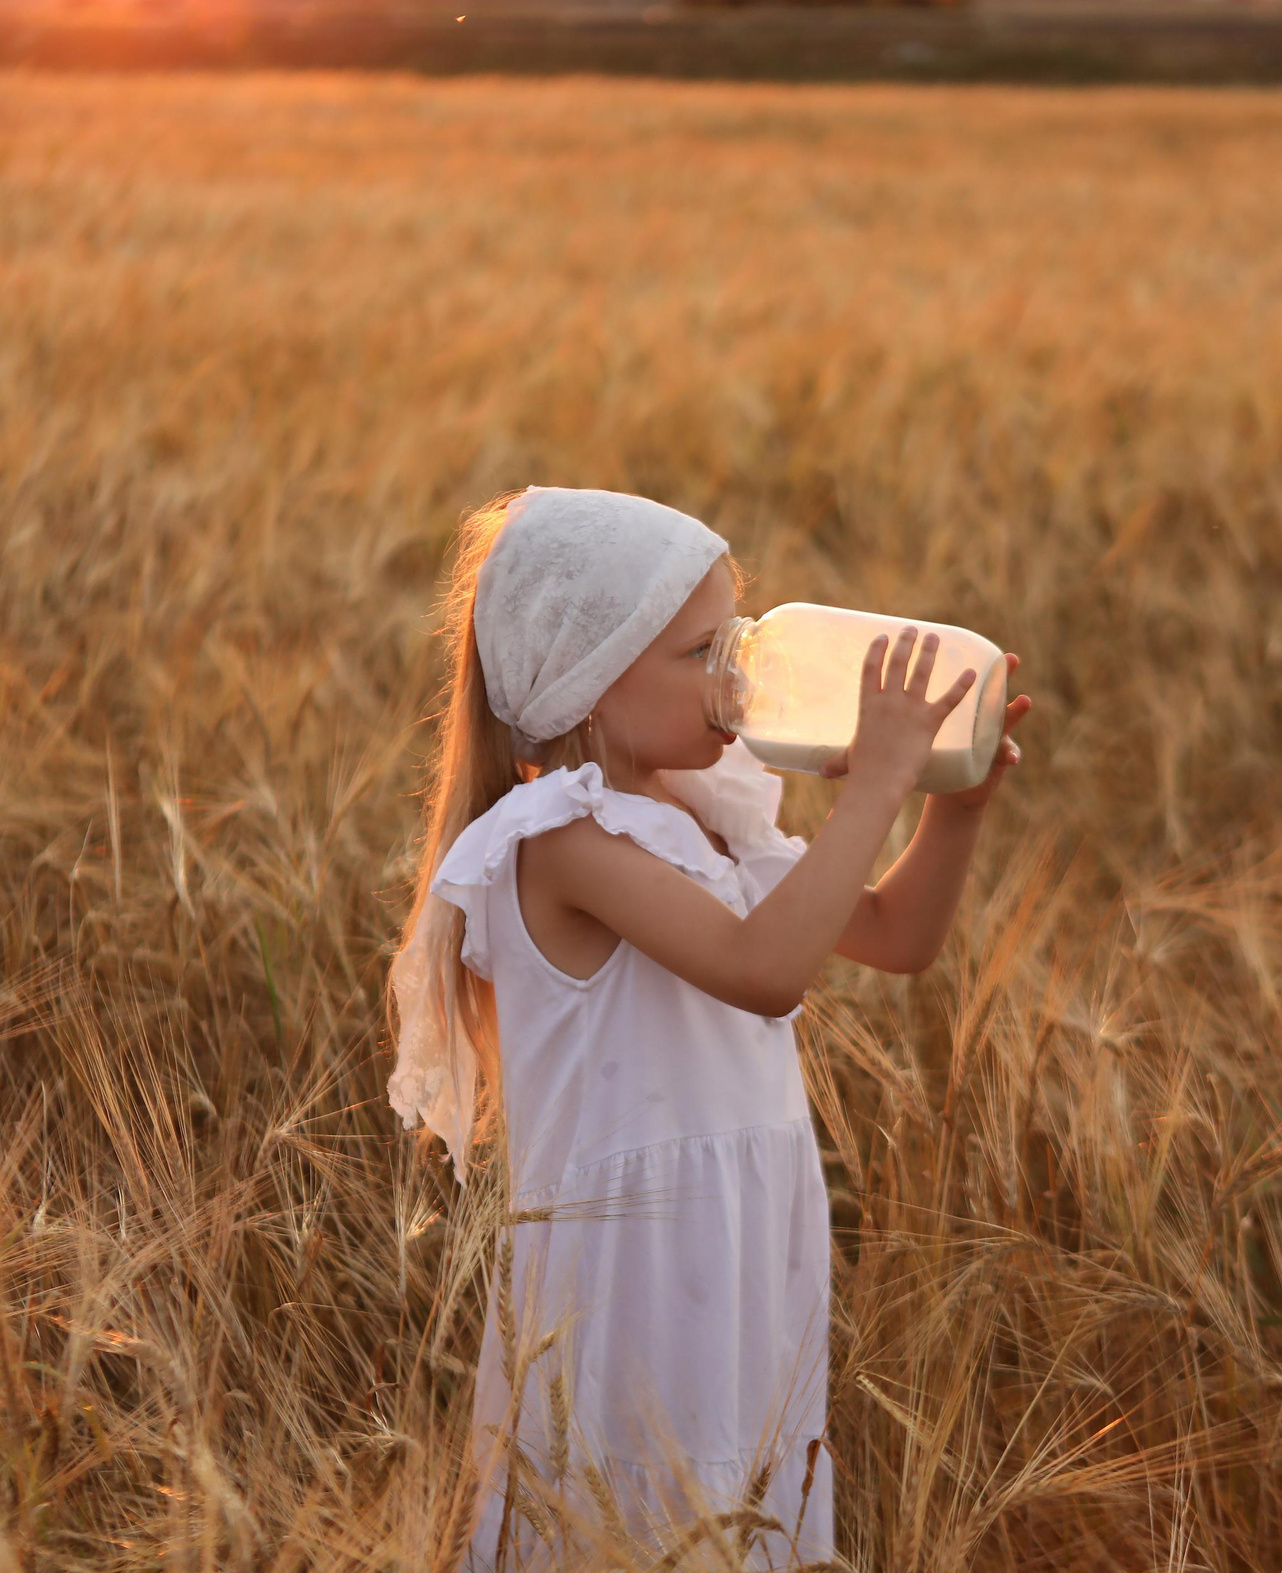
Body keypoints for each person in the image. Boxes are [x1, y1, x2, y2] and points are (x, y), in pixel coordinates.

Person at [386, 486, 1030, 1571]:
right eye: (701, 652)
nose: (737, 674)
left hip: (744, 1235)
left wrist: (943, 805)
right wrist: (868, 784)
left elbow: (893, 932)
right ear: (587, 679)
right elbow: (765, 969)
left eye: (737, 635)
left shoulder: (708, 815)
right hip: (637, 1264)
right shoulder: (560, 842)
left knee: (737, 1503)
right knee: (630, 1510)